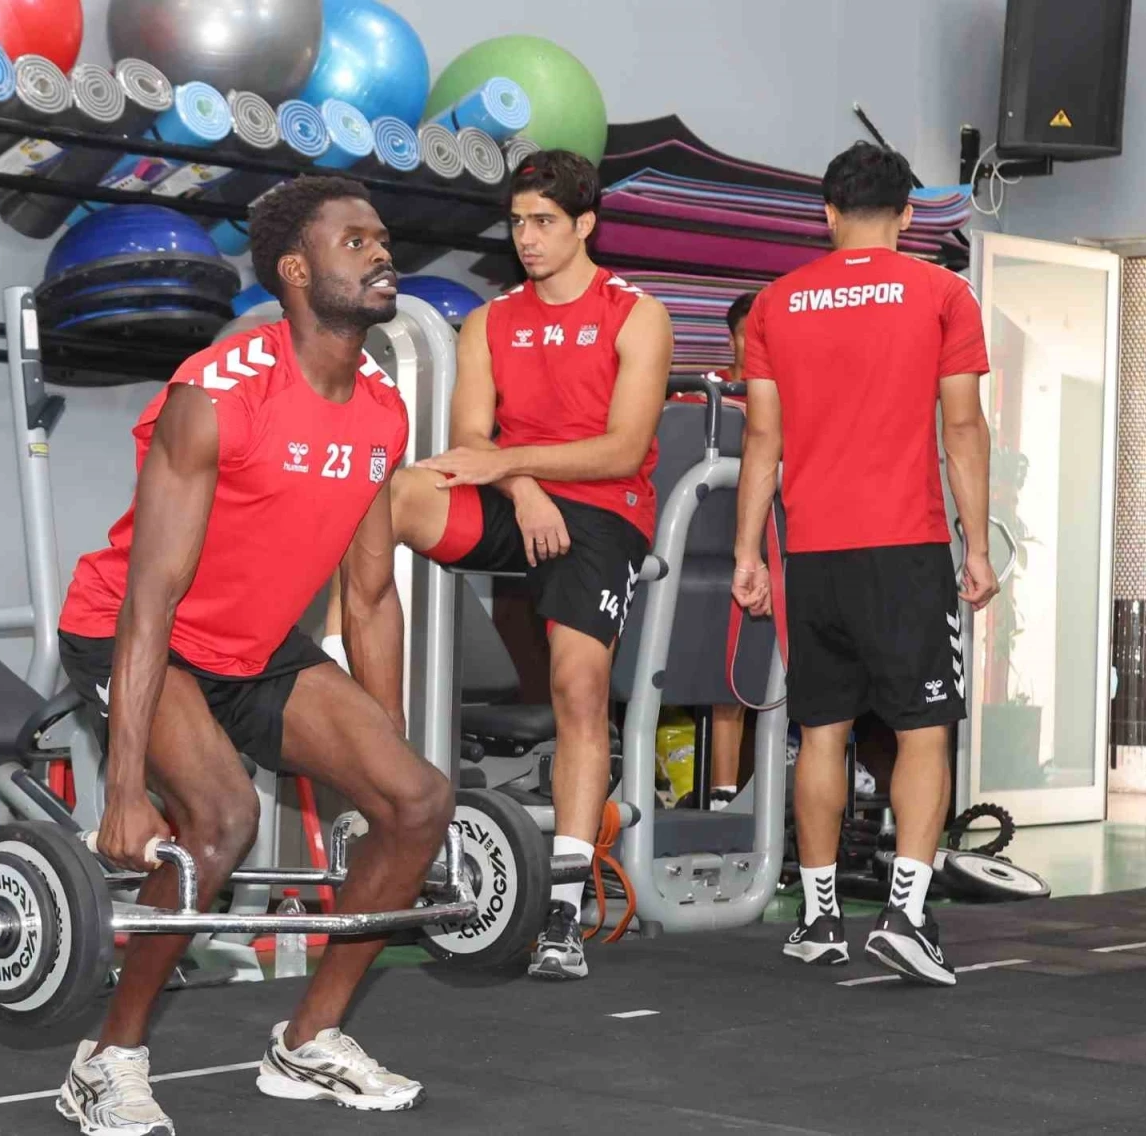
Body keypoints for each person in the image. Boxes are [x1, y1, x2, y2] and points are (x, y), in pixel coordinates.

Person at [54, 175, 453, 1133]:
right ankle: (107, 1058)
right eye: (354, 242)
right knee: (222, 820)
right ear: (294, 270)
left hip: (256, 646)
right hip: (136, 633)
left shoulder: (382, 410)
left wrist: (380, 754)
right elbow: (151, 600)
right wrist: (121, 793)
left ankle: (308, 1040)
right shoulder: (217, 394)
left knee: (417, 802)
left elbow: (370, 594)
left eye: (382, 238)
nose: (381, 252)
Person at [392, 149, 673, 980]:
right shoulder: (490, 321)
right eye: (518, 222)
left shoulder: (637, 315)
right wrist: (522, 488)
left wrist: (518, 468)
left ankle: (563, 908)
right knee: (400, 493)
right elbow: (472, 438)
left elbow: (623, 449)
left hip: (605, 510)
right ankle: (355, 677)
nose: (527, 238)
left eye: (545, 222)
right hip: (520, 499)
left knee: (578, 687)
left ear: (585, 224)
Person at [731, 141, 998, 986]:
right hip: (905, 548)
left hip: (812, 552)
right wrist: (978, 544)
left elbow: (762, 438)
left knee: (822, 732)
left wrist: (747, 551)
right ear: (909, 215)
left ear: (828, 214)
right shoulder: (943, 293)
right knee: (924, 731)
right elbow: (962, 426)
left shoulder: (776, 303)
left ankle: (819, 920)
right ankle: (907, 917)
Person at [671, 292, 757, 809]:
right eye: (750, 334)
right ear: (732, 338)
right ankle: (655, 787)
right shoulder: (696, 397)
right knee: (666, 672)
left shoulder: (795, 400)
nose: (760, 345)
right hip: (687, 554)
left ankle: (724, 798)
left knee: (736, 680)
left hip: (756, 556)